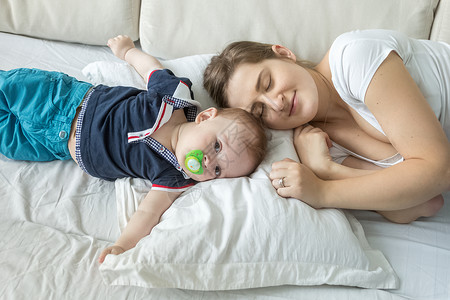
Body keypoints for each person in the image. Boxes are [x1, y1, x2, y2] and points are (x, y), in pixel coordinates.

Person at [0, 35, 267, 263]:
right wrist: (128, 51)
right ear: (205, 117)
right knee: (8, 88)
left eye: (219, 170)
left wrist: (124, 244)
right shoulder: (174, 98)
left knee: (8, 143)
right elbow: (151, 70)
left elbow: (148, 212)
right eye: (217, 145)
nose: (208, 162)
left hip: (55, 146)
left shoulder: (175, 177)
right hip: (63, 102)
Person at [203, 29, 450, 224]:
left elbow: (439, 171)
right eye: (259, 110)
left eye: (268, 83)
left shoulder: (353, 57)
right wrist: (327, 168)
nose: (275, 103)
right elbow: (423, 203)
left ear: (284, 53)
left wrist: (322, 191)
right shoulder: (318, 144)